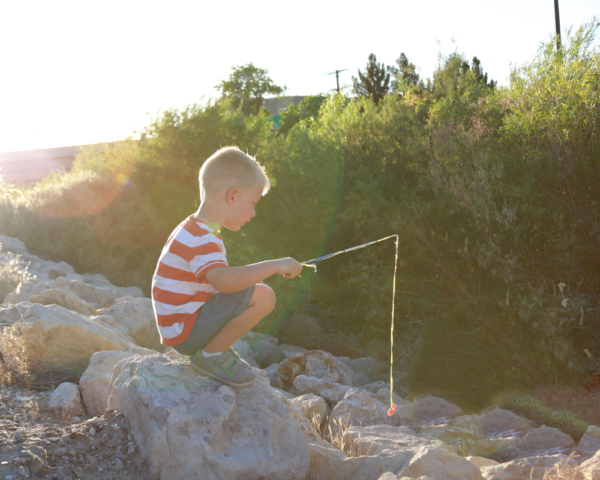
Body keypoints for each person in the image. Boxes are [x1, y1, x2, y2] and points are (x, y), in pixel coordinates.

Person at [151, 146, 303, 387]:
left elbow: (220, 284)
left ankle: (216, 351)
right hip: (185, 331)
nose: (253, 213)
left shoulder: (194, 229)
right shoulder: (202, 237)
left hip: (181, 326)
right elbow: (224, 282)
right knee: (264, 296)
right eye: (253, 203)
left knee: (252, 291)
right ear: (232, 196)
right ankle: (210, 357)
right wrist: (274, 265)